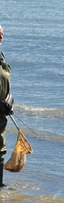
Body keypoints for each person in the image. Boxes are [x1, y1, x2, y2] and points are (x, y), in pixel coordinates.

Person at [0, 25, 12, 186]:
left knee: (0, 150)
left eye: (1, 33)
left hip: (2, 112)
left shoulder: (1, 56)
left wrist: (9, 99)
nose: (1, 36)